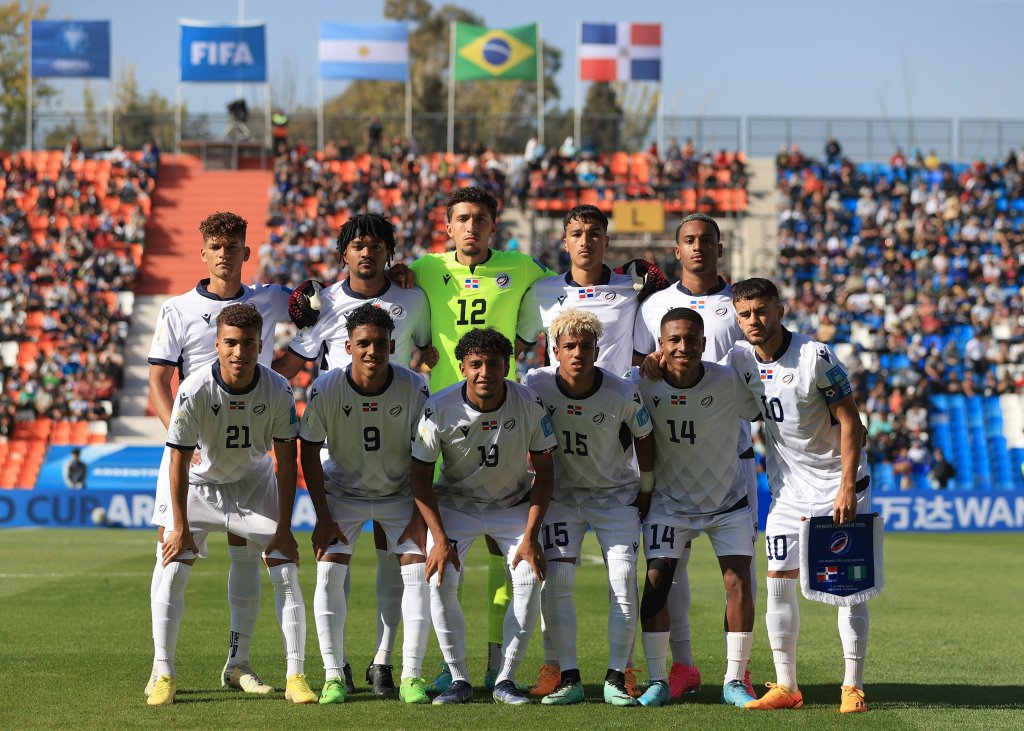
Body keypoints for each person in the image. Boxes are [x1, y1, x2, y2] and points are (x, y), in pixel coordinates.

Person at [277, 213, 436, 697]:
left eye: (376, 245)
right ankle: (336, 667)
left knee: (395, 570)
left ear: (390, 251)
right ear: (343, 253)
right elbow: (295, 361)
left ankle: (386, 663)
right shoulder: (323, 301)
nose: (366, 253)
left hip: (396, 442)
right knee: (335, 568)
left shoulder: (412, 296)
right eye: (357, 245)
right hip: (340, 448)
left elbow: (427, 353)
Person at [406, 186, 556, 689]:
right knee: (420, 557)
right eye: (462, 218)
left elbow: (568, 290)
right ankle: (418, 667)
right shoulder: (422, 268)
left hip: (503, 409)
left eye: (481, 219)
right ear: (447, 225)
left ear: (495, 225)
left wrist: (527, 336)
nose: (471, 227)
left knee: (504, 555)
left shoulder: (524, 267)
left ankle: (498, 666)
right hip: (443, 417)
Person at [146, 211, 291, 700]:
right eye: (216, 245)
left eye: (234, 246)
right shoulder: (178, 309)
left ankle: (238, 663)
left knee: (247, 560)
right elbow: (156, 383)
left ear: (246, 252)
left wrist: (401, 277)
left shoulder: (270, 299)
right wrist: (184, 439)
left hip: (249, 461)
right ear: (203, 252)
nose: (225, 253)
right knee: (172, 559)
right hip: (195, 463)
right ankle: (161, 671)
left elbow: (328, 304)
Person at [728, 278, 872, 714]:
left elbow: (851, 421)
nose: (755, 320)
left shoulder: (815, 356)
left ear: (780, 310)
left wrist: (846, 487)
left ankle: (852, 687)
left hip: (838, 488)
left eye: (762, 310)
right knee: (778, 586)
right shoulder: (739, 359)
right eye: (745, 314)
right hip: (788, 494)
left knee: (849, 589)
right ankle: (787, 685)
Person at [633, 212, 759, 700]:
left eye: (708, 239)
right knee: (669, 572)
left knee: (739, 573)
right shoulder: (655, 306)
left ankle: (737, 674)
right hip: (674, 455)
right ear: (677, 249)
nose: (699, 247)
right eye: (689, 240)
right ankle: (679, 667)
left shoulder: (740, 301)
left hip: (734, 454)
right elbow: (642, 369)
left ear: (720, 247)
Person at [409, 328, 557, 705]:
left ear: (507, 365)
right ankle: (458, 677)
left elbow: (546, 470)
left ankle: (505, 678)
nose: (485, 372)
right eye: (476, 364)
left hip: (511, 506)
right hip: (456, 506)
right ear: (462, 368)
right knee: (439, 579)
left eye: (493, 364)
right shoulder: (439, 407)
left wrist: (531, 535)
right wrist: (440, 540)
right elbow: (420, 479)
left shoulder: (528, 401)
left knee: (530, 578)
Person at [299, 304, 432, 704]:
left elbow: (423, 455)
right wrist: (322, 517)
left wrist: (416, 514)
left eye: (379, 343)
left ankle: (410, 675)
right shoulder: (326, 388)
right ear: (348, 346)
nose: (371, 351)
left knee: (416, 573)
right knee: (328, 573)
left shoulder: (415, 387)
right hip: (343, 495)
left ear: (393, 345)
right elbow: (308, 453)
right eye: (363, 344)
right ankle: (333, 675)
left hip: (398, 495)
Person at [522, 309, 654, 706]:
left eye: (585, 346)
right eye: (570, 346)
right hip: (561, 496)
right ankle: (568, 676)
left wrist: (645, 490)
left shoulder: (621, 391)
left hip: (613, 496)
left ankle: (618, 676)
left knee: (623, 580)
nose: (578, 353)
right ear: (555, 351)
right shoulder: (535, 384)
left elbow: (645, 439)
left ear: (597, 350)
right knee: (557, 584)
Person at [518, 204, 654, 378]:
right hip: (558, 402)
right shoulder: (541, 292)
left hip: (617, 402)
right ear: (565, 243)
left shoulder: (634, 289)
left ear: (606, 242)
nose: (585, 241)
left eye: (594, 234)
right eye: (576, 234)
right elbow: (512, 351)